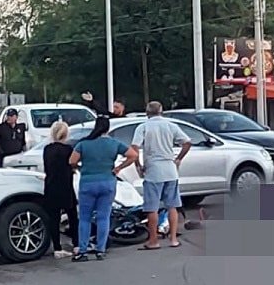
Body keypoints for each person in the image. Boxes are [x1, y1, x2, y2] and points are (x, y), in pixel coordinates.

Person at [68, 115, 138, 262]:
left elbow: (72, 161)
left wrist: (80, 167)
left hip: (87, 182)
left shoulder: (84, 144)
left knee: (85, 218)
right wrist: (119, 168)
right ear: (108, 128)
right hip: (107, 181)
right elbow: (133, 155)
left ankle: (82, 250)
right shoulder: (114, 143)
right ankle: (100, 249)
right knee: (103, 217)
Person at [131, 101, 190, 249]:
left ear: (147, 112)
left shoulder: (143, 127)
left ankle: (153, 241)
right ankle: (174, 239)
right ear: (161, 111)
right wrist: (178, 158)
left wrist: (138, 165)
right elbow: (187, 142)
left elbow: (134, 148)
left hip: (153, 171)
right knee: (172, 206)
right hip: (170, 169)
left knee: (152, 207)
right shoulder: (171, 126)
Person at [42, 121, 78, 258]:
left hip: (51, 185)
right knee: (72, 215)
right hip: (65, 185)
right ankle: (76, 244)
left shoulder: (47, 149)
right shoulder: (68, 149)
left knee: (54, 218)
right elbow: (71, 165)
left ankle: (57, 247)